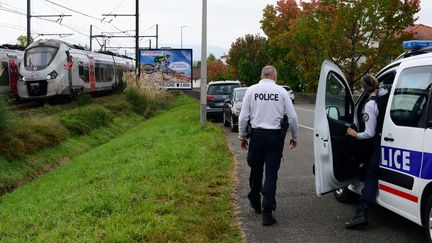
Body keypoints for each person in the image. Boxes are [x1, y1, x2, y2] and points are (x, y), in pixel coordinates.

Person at [238, 65, 299, 226]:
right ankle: (267, 211)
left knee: (255, 170)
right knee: (271, 174)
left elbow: (243, 117)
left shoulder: (251, 90)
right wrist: (294, 136)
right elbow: (292, 117)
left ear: (261, 75)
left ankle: (254, 199)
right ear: (274, 77)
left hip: (257, 136)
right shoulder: (281, 92)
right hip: (275, 138)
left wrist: (242, 136)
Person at [345, 74, 389, 229]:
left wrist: (355, 134)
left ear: (364, 88)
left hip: (380, 142)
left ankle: (361, 214)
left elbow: (369, 133)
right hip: (391, 139)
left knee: (371, 174)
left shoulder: (371, 104)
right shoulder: (387, 94)